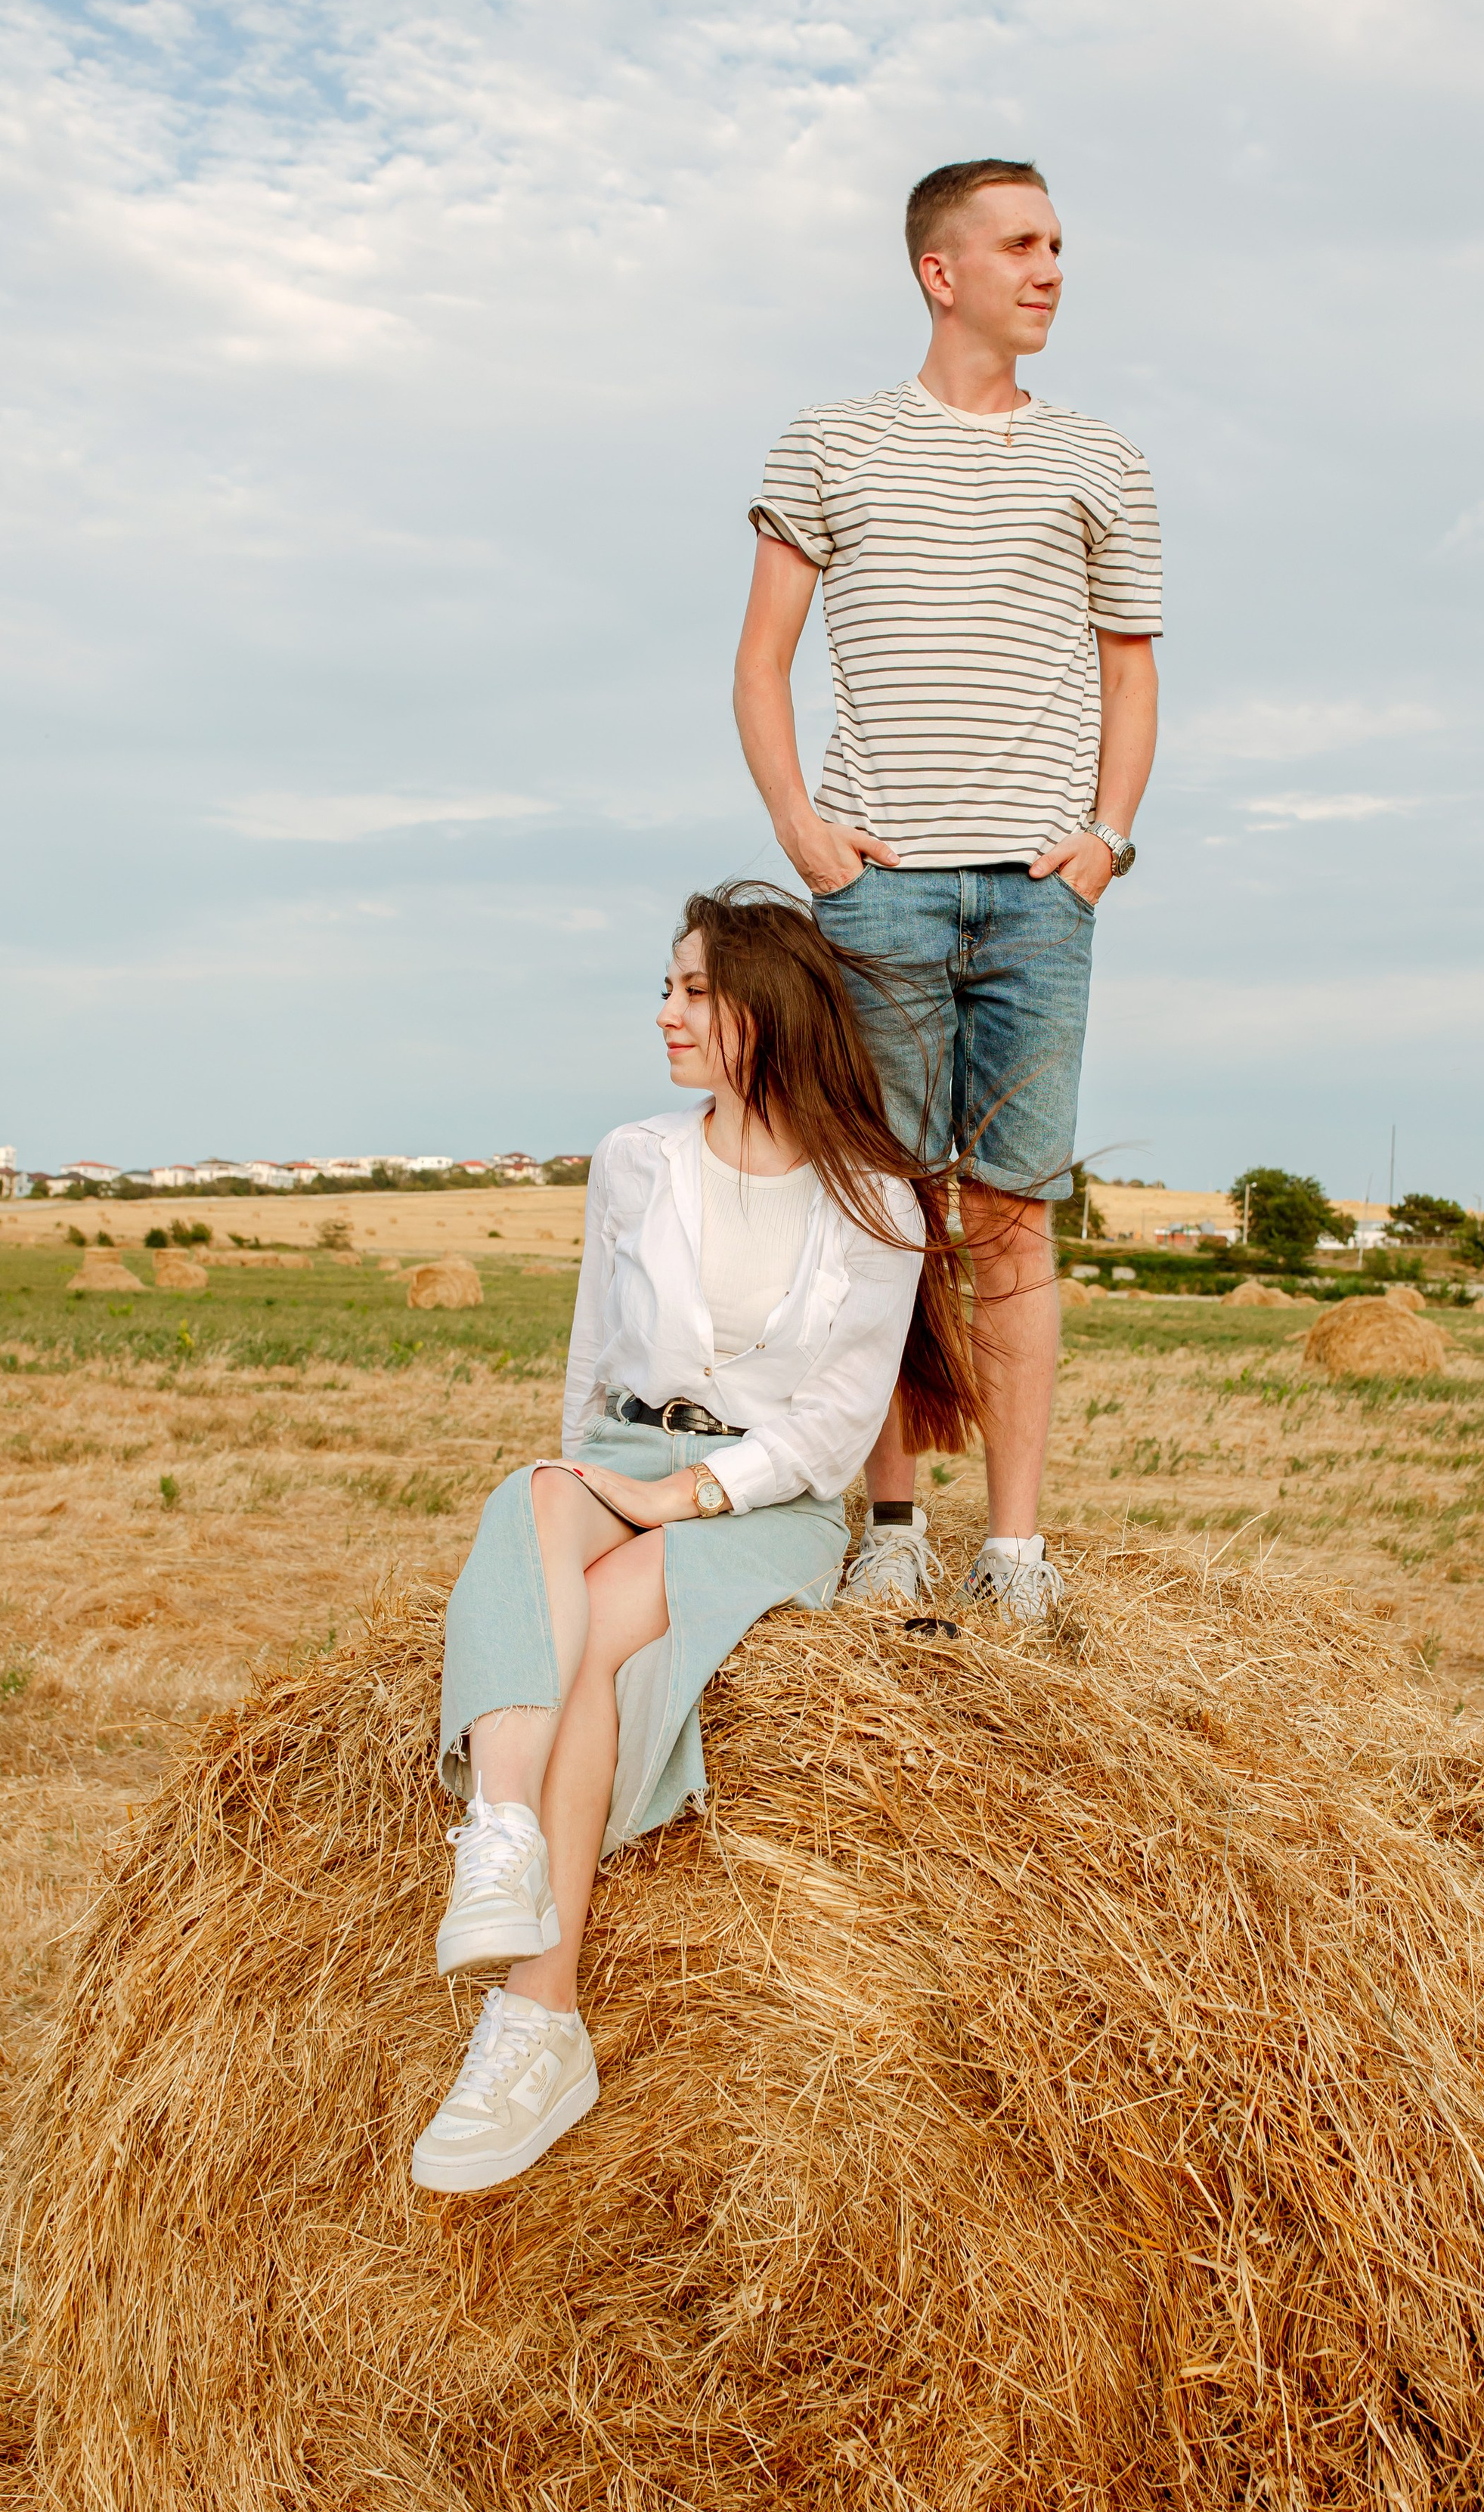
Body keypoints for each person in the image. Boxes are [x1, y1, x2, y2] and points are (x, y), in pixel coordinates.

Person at [411, 883, 979, 2196]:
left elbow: (836, 1427)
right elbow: (591, 1357)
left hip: (765, 1503)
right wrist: (591, 1485)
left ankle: (538, 2021)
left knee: (593, 1658)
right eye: (666, 989)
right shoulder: (636, 1159)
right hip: (623, 1455)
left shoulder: (879, 1203)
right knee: (529, 1498)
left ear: (765, 1012)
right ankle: (501, 1842)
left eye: (693, 991)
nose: (666, 1012)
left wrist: (696, 1497)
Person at [733, 156, 1161, 1622]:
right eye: (1022, 244)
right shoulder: (828, 444)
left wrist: (1105, 840)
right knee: (888, 1220)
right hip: (882, 893)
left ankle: (1016, 1551)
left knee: (1013, 1222)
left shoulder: (1102, 461)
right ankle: (894, 1527)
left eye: (1058, 246)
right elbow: (761, 660)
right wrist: (804, 834)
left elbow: (1129, 672)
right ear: (941, 270)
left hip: (1041, 899)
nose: (1051, 270)